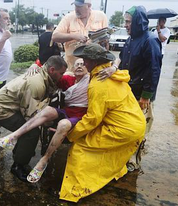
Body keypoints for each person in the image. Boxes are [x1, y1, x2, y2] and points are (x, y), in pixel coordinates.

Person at [59, 43, 146, 203]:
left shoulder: (98, 84)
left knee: (81, 146)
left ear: (95, 62)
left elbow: (93, 119)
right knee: (110, 148)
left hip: (123, 129)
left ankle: (74, 191)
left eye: (86, 60)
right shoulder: (115, 74)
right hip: (137, 124)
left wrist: (72, 134)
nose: (83, 62)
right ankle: (116, 172)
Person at [0, 58, 89, 183]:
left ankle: (24, 153)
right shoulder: (43, 82)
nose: (80, 66)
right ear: (52, 70)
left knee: (38, 124)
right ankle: (18, 166)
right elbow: (30, 114)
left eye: (83, 64)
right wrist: (35, 64)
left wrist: (113, 68)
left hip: (14, 106)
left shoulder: (88, 80)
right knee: (31, 133)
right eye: (77, 64)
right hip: (3, 110)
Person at [102, 6, 162, 170]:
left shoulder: (150, 40)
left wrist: (146, 95)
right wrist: (114, 67)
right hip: (129, 91)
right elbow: (121, 57)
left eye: (128, 22)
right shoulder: (130, 39)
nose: (126, 25)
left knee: (139, 128)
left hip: (142, 95)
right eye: (125, 22)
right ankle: (124, 156)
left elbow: (154, 69)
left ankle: (133, 161)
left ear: (138, 22)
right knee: (128, 127)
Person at [52, 0, 108, 71]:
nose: (76, 9)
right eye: (75, 6)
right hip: (73, 69)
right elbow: (55, 36)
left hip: (95, 70)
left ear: (89, 6)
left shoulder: (101, 16)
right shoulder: (69, 17)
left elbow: (106, 42)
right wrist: (74, 36)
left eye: (79, 6)